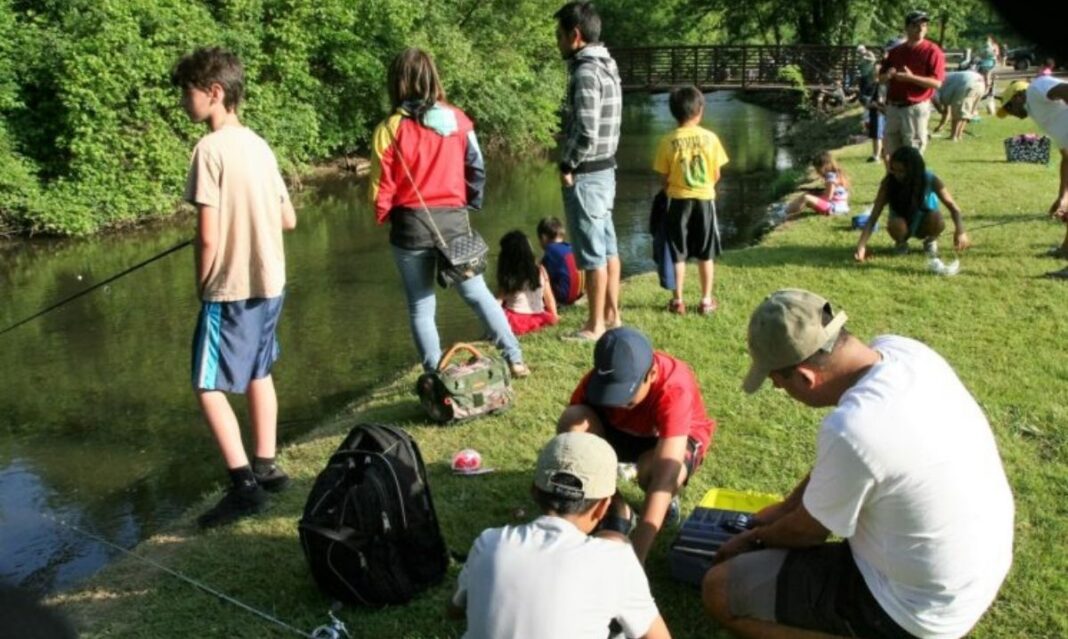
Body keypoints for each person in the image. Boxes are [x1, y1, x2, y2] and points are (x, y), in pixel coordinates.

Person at [702, 289, 1015, 639]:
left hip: (916, 611)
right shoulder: (904, 352)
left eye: (778, 385)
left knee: (720, 589)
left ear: (805, 378)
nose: (782, 392)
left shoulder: (854, 429)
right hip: (973, 575)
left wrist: (753, 540)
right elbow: (843, 466)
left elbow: (806, 533)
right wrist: (783, 508)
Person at [172, 47, 297, 529]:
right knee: (258, 370)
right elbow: (288, 218)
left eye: (189, 92)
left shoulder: (209, 150)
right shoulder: (259, 145)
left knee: (206, 385)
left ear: (214, 93)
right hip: (272, 283)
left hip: (232, 288)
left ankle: (243, 486)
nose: (185, 102)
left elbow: (207, 234)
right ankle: (266, 468)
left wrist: (204, 285)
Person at [369, 48, 528, 376]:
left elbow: (380, 184)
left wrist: (384, 215)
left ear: (397, 83)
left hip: (410, 227)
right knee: (478, 294)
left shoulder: (389, 128)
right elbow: (477, 166)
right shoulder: (457, 119)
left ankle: (437, 374)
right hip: (454, 222)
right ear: (433, 77)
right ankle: (514, 357)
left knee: (421, 307)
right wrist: (471, 201)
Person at [448, 431, 672, 639]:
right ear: (603, 506)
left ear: (534, 491)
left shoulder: (488, 542)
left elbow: (455, 609)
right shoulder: (615, 561)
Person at [558, 327, 716, 563]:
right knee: (573, 424)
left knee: (652, 471)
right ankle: (617, 509)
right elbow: (571, 448)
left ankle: (665, 506)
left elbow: (664, 476)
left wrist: (636, 559)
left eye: (627, 398)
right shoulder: (594, 381)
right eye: (611, 396)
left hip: (671, 438)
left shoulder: (674, 387)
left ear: (651, 374)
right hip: (621, 432)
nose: (619, 405)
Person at [555, 1, 623, 341]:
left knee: (593, 254)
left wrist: (568, 164)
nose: (558, 42)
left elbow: (586, 129)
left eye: (560, 35)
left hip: (589, 174)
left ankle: (594, 326)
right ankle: (612, 317)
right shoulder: (608, 64)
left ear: (575, 35)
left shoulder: (585, 71)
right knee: (608, 248)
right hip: (607, 168)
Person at [652, 85, 729, 315]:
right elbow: (716, 174)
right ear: (700, 111)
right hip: (704, 200)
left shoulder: (668, 141)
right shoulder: (711, 138)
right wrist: (704, 187)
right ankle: (706, 301)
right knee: (706, 252)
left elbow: (663, 178)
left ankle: (678, 301)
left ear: (673, 112)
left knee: (678, 252)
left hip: (677, 202)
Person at [998, 77, 1068, 277]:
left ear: (1019, 96)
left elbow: (1066, 89)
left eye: (1009, 107)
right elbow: (1066, 158)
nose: (1010, 113)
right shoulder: (1040, 114)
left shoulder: (1037, 88)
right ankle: (1066, 249)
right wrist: (1063, 197)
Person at [854, 147, 970, 261]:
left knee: (936, 216)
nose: (897, 175)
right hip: (901, 225)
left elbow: (953, 208)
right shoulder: (889, 183)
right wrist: (861, 245)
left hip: (925, 222)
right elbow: (874, 216)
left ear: (914, 170)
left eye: (902, 171)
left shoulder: (930, 180)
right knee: (896, 223)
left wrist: (960, 231)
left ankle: (930, 241)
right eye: (894, 170)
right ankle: (901, 244)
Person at [879, 10, 945, 156]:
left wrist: (911, 78)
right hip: (893, 108)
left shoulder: (933, 51)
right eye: (916, 25)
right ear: (907, 28)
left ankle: (914, 179)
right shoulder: (895, 52)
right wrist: (888, 75)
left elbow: (937, 83)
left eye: (924, 25)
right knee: (892, 153)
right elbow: (880, 79)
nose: (921, 28)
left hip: (915, 109)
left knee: (913, 154)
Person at [497, 230, 559, 336]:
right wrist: (554, 315)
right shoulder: (541, 270)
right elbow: (549, 299)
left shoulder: (510, 275)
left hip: (516, 319)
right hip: (539, 317)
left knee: (502, 310)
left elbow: (498, 302)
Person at [784, 152, 850, 218]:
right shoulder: (835, 174)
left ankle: (784, 213)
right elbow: (833, 193)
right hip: (838, 206)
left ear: (824, 166)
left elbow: (828, 197)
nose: (817, 171)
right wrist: (816, 193)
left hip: (834, 208)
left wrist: (817, 197)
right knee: (807, 194)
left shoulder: (831, 178)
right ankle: (787, 209)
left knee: (806, 197)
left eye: (817, 168)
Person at [537, 216, 584, 306]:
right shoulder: (571, 247)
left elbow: (541, 276)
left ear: (543, 237)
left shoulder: (550, 251)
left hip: (564, 297)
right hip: (578, 294)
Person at [931, 70, 986, 141]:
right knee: (966, 112)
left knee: (958, 113)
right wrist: (941, 125)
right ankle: (959, 135)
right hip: (980, 82)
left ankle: (953, 137)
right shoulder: (945, 82)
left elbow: (935, 100)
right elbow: (946, 111)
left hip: (966, 82)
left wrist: (939, 110)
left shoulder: (933, 85)